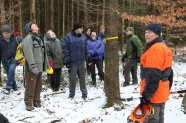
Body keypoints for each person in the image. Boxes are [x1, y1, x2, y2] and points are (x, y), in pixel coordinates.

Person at [140, 23, 173, 123]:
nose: (146, 35)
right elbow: (170, 73)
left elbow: (153, 76)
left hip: (153, 95)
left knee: (151, 120)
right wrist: (167, 88)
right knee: (159, 119)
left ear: (157, 34)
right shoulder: (164, 47)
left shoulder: (154, 49)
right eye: (145, 32)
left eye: (150, 32)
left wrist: (146, 96)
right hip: (161, 92)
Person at [22, 22, 49, 111]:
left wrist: (47, 64)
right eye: (33, 24)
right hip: (31, 69)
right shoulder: (28, 39)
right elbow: (28, 54)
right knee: (31, 86)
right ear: (30, 28)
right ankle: (28, 104)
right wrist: (33, 66)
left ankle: (36, 101)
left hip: (40, 67)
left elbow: (44, 53)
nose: (36, 25)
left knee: (38, 86)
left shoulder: (40, 38)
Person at [62, 22, 88, 99]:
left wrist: (87, 57)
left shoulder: (83, 37)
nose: (82, 29)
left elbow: (86, 48)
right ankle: (71, 94)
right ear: (76, 29)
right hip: (73, 62)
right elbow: (64, 49)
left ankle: (84, 94)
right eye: (81, 28)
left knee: (82, 77)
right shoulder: (68, 37)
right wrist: (67, 60)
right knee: (72, 78)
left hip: (81, 61)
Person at [0, 25, 22, 94]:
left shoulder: (16, 39)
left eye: (7, 33)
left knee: (11, 69)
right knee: (10, 73)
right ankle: (15, 87)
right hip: (5, 60)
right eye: (4, 33)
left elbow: (24, 46)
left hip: (14, 59)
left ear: (10, 32)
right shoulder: (0, 40)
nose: (5, 35)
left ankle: (8, 87)